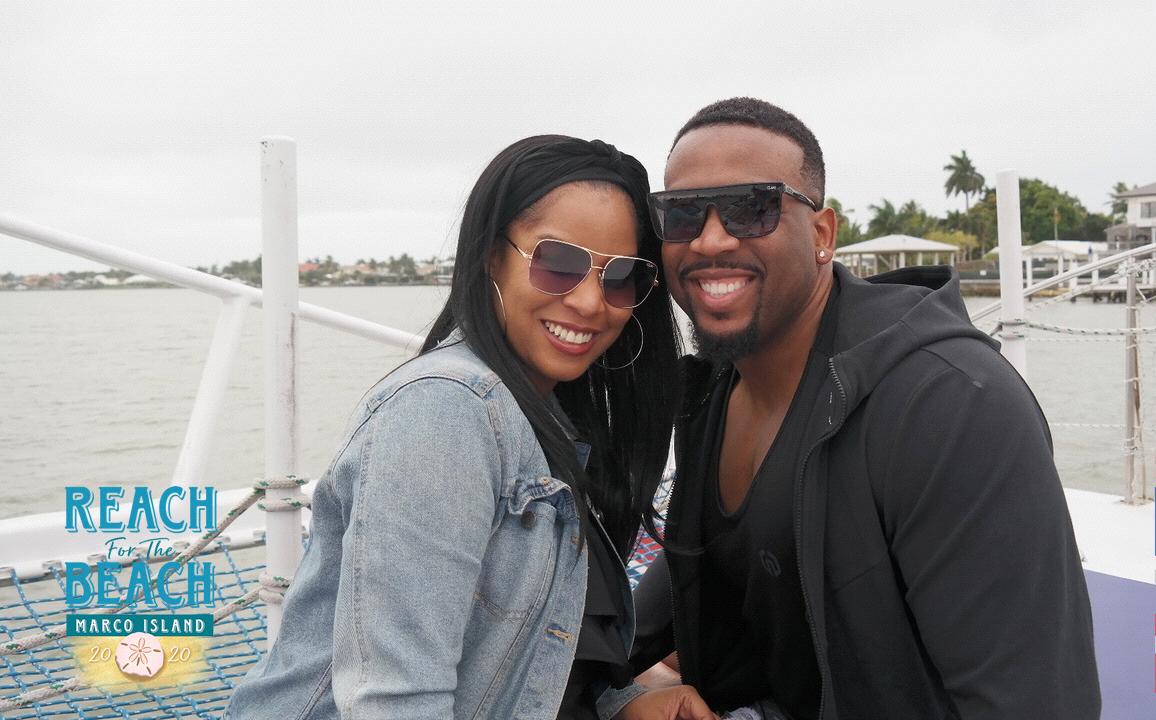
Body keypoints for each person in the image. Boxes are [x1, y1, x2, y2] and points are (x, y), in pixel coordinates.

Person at [621, 98, 1101, 719]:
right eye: (682, 214)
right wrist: (611, 695)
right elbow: (673, 593)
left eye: (751, 208)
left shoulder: (947, 406)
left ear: (823, 235)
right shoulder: (715, 391)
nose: (711, 240)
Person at [225, 135, 717, 719]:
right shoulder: (445, 411)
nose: (590, 302)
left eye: (620, 277)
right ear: (490, 256)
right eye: (558, 263)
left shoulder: (550, 424)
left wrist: (624, 705)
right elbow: (394, 701)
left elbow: (528, 657)